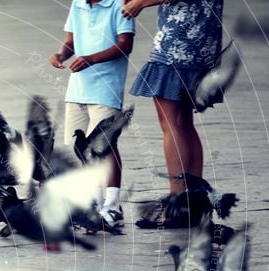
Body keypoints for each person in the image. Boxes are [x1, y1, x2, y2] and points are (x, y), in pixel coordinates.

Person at [124, 0, 224, 199]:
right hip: (203, 44)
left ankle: (177, 201)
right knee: (184, 124)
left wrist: (140, 2)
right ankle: (195, 199)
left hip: (177, 46)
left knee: (171, 125)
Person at [51, 0, 135, 226]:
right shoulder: (78, 4)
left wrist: (91, 59)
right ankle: (95, 204)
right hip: (77, 88)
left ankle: (113, 206)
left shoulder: (120, 4)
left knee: (105, 146)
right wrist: (60, 54)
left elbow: (125, 44)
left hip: (105, 88)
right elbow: (70, 41)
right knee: (83, 148)